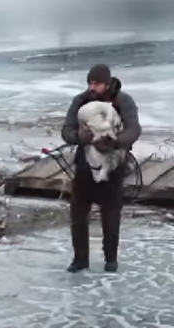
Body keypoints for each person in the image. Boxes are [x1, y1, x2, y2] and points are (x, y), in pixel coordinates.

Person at [61, 64, 142, 273]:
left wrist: (116, 142)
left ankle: (111, 261)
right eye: (89, 83)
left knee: (111, 214)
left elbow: (134, 128)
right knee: (78, 214)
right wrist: (79, 138)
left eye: (96, 83)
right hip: (84, 166)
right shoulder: (80, 101)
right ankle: (80, 260)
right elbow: (67, 130)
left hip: (113, 165)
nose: (92, 87)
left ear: (107, 83)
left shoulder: (123, 101)